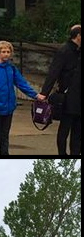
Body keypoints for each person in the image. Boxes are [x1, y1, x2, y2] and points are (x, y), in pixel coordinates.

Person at [0, 41, 45, 157]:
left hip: (9, 107)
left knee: (5, 135)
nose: (6, 54)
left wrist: (36, 95)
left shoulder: (11, 68)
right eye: (3, 52)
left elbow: (21, 83)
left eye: (8, 52)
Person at [41, 24, 81, 157]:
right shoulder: (64, 51)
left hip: (78, 97)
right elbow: (53, 73)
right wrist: (44, 93)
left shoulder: (78, 51)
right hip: (67, 97)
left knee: (78, 131)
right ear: (78, 36)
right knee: (64, 129)